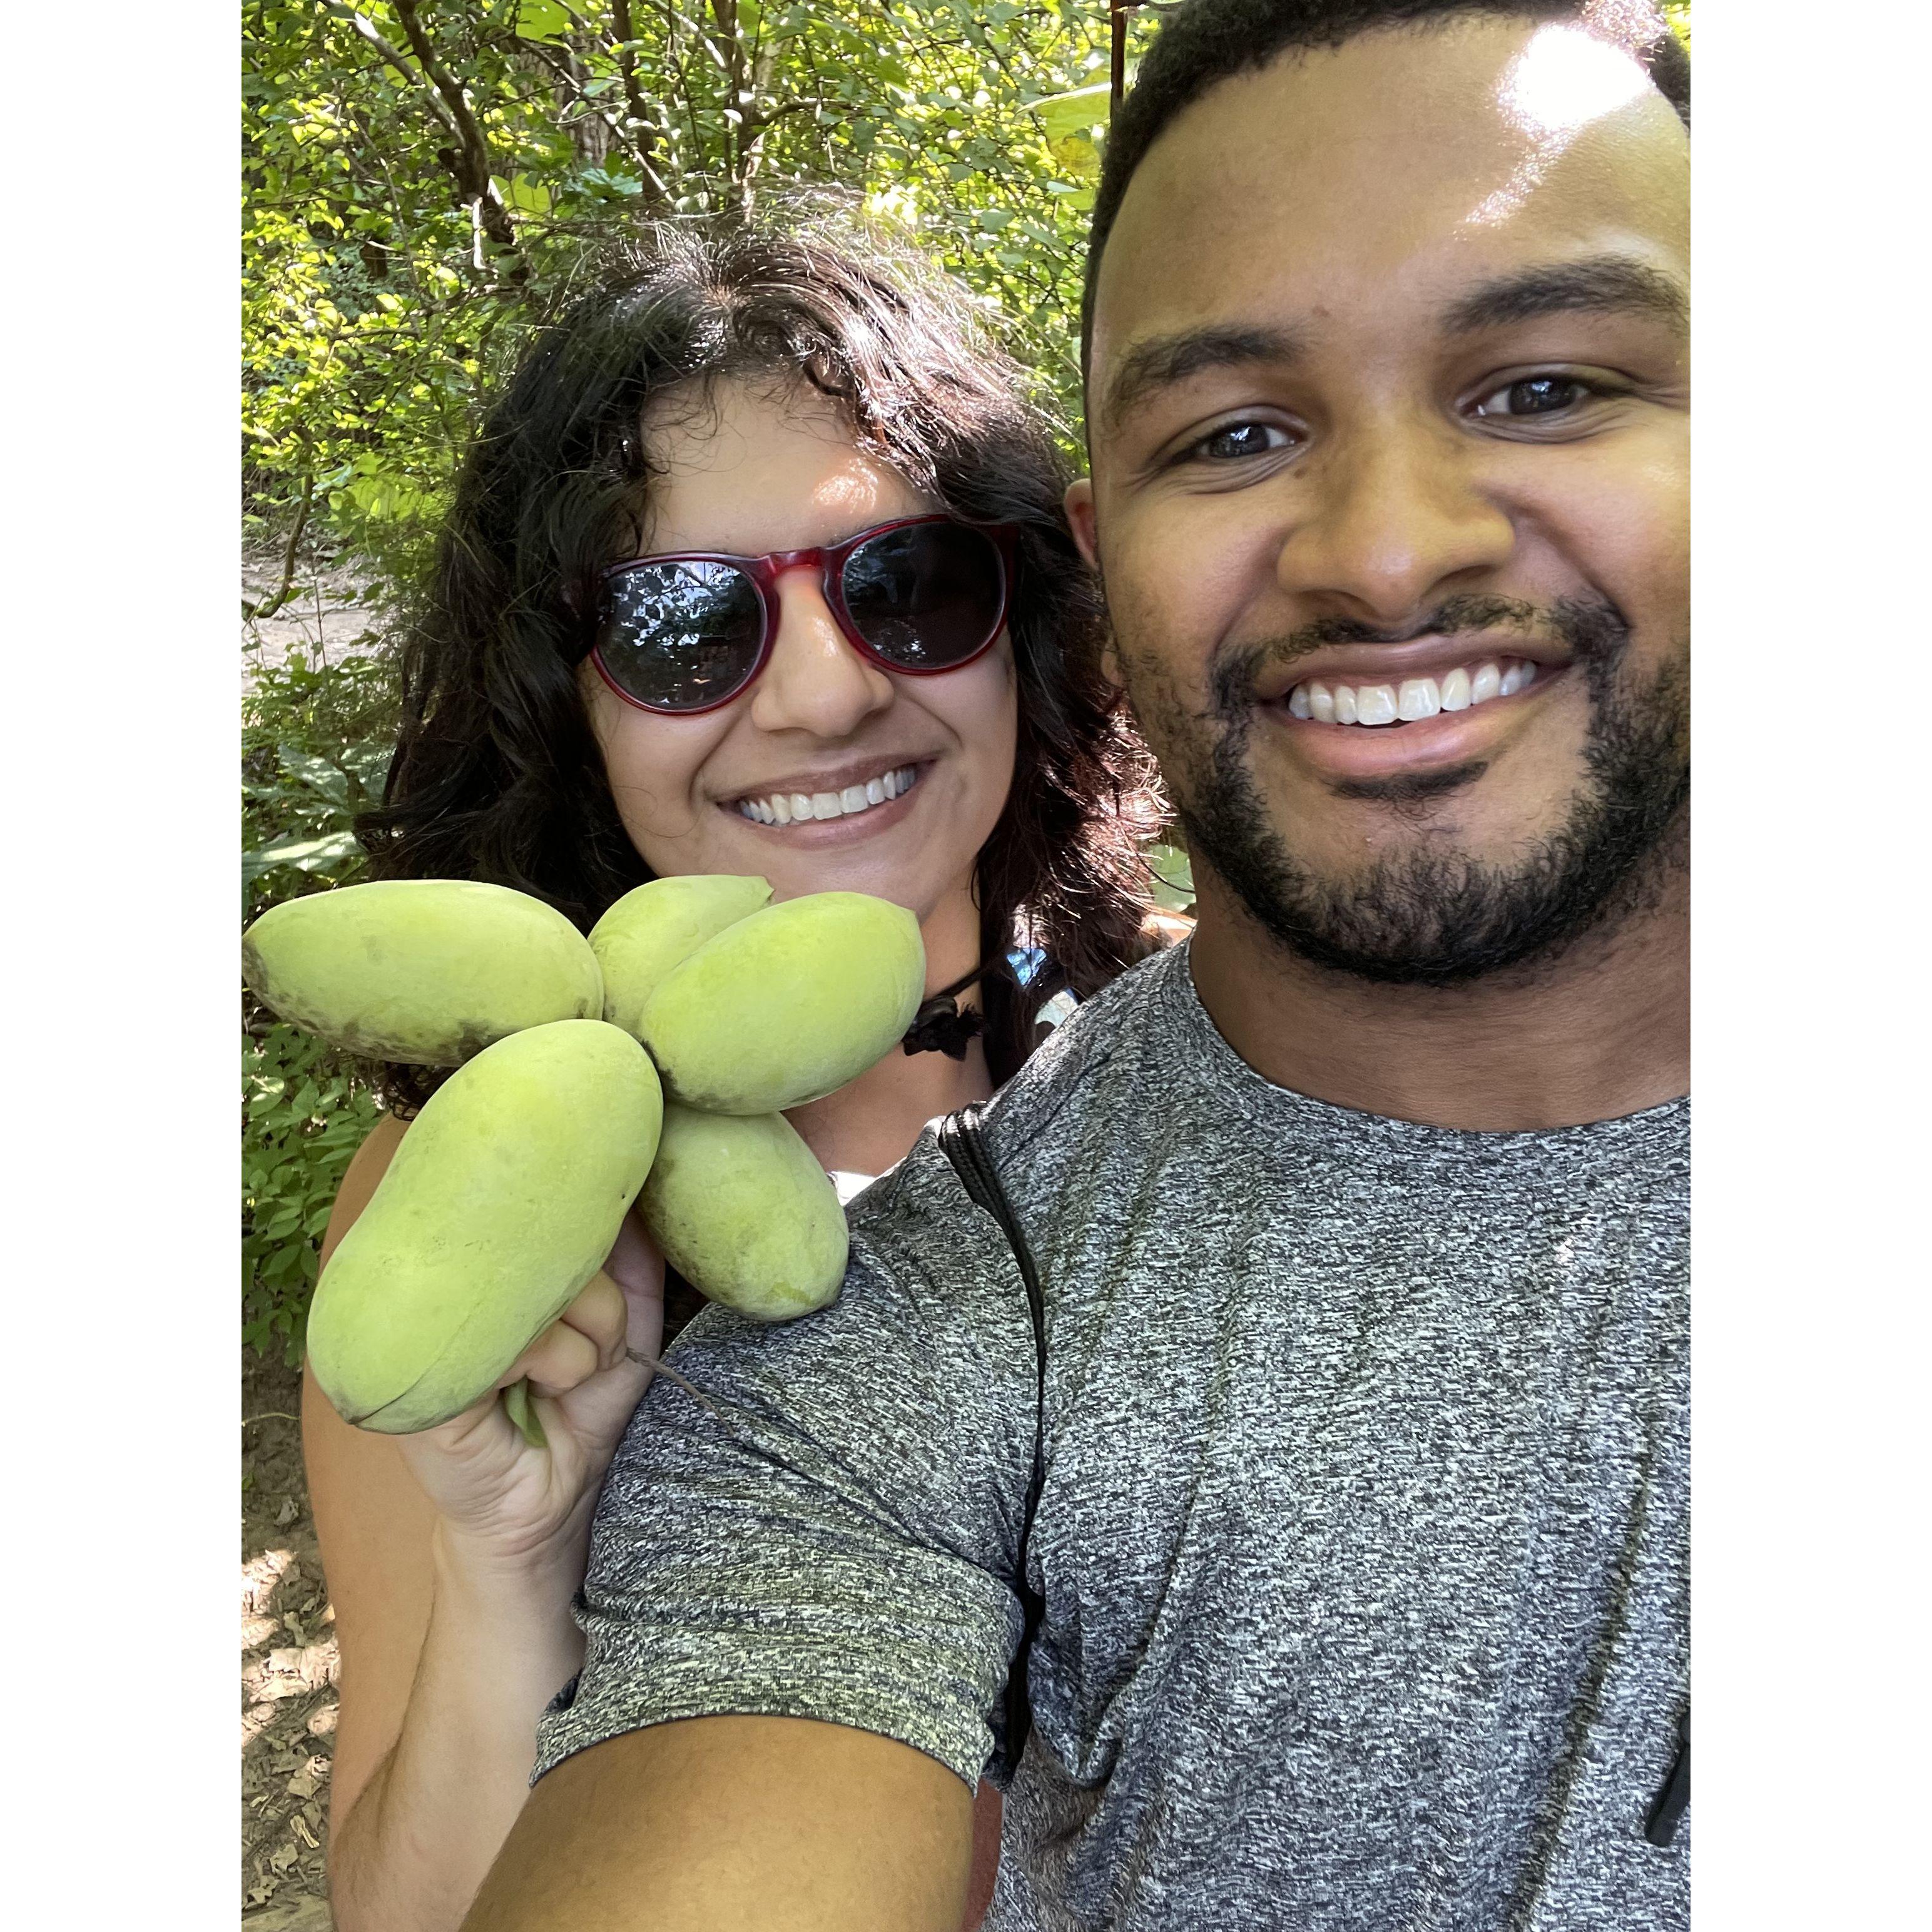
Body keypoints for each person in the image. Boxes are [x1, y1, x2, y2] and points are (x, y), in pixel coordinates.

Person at [462, 3, 1692, 1926]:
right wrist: (490, 1567)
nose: (1384, 550)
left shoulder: (1068, 1001)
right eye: (1243, 431)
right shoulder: (864, 1344)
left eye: (1546, 385)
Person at [299, 209, 1166, 1932]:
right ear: (570, 703)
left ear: (1024, 617)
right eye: (689, 625)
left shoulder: (1193, 1046)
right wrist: (509, 1562)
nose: (830, 695)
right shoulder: (477, 1206)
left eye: (907, 587)